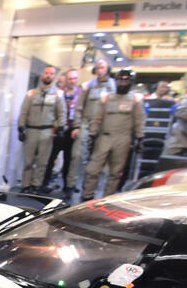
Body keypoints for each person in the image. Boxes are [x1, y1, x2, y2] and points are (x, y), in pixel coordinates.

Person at [81, 68, 145, 200]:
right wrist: (92, 134)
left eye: (126, 80)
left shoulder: (135, 99)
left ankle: (107, 198)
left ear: (131, 82)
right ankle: (87, 196)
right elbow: (97, 117)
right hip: (105, 136)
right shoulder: (106, 97)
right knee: (93, 169)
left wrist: (140, 137)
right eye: (121, 79)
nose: (123, 83)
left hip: (123, 138)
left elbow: (139, 120)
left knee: (115, 172)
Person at [68, 59, 116, 193]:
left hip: (104, 127)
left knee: (99, 159)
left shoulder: (114, 86)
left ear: (107, 69)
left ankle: (91, 188)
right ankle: (72, 184)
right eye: (98, 68)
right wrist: (76, 126)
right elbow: (79, 107)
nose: (100, 70)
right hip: (86, 124)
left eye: (102, 67)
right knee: (77, 155)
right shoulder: (88, 86)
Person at [17, 65, 64, 194]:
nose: (48, 75)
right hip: (32, 130)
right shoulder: (31, 93)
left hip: (47, 132)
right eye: (46, 73)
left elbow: (61, 113)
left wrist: (61, 127)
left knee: (42, 162)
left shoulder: (57, 94)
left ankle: (36, 185)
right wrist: (21, 127)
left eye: (51, 74)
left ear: (54, 76)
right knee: (28, 161)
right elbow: (24, 112)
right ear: (42, 74)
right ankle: (26, 185)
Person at [43, 68, 80, 195]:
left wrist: (77, 127)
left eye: (74, 78)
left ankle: (67, 185)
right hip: (57, 130)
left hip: (72, 131)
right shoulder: (57, 93)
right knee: (50, 157)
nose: (72, 81)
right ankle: (45, 182)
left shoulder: (80, 94)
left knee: (69, 159)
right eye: (70, 78)